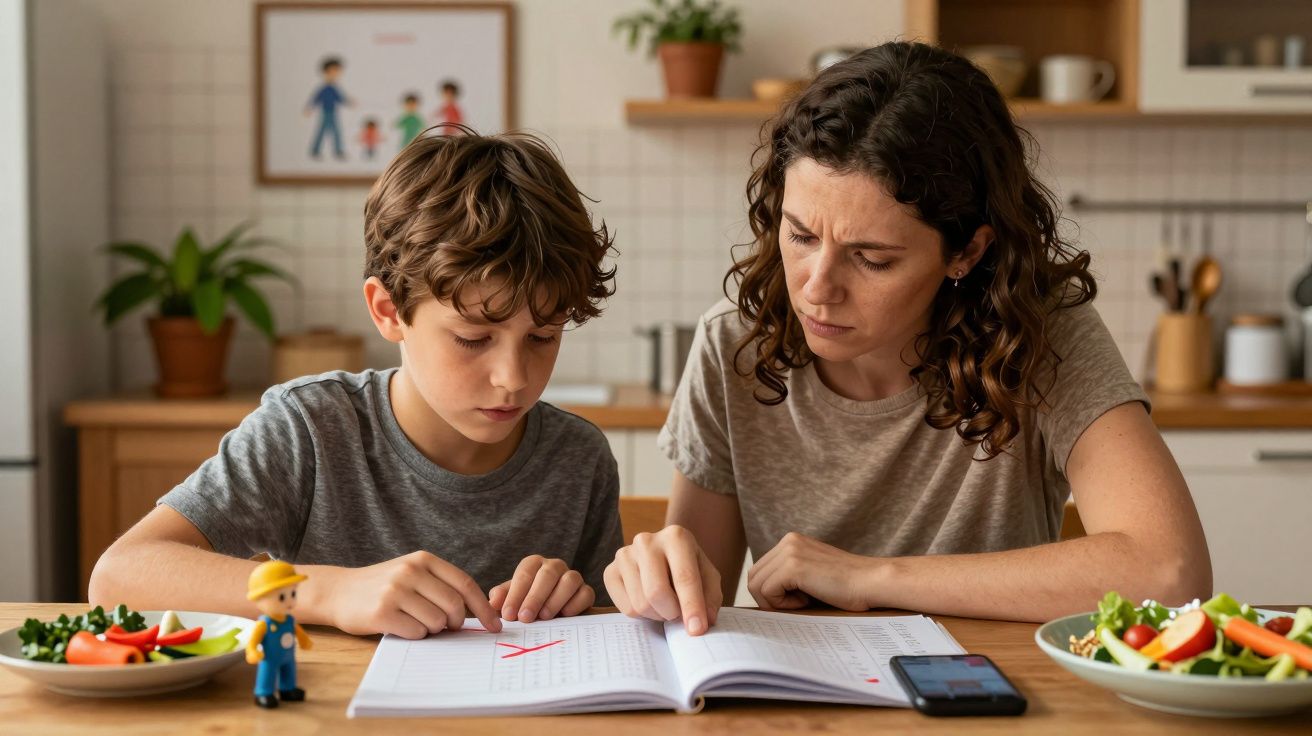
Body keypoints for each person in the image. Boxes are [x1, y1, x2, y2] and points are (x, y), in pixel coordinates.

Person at [604, 41, 1211, 635]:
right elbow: (687, 610)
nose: (817, 287)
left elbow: (1170, 571)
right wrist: (660, 574)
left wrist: (869, 578)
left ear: (967, 251)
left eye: (871, 259)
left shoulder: (1043, 333)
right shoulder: (733, 343)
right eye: (801, 235)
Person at [91, 126, 622, 639]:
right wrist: (328, 593)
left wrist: (576, 598)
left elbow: (612, 632)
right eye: (472, 338)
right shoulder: (311, 429)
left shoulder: (579, 458)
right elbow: (119, 576)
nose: (513, 379)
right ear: (389, 311)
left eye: (543, 337)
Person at [245, 560, 312, 709]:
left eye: (293, 593)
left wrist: (304, 640)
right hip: (270, 658)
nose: (289, 601)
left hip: (288, 655)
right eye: (282, 597)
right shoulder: (264, 624)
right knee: (267, 673)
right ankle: (263, 693)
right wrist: (252, 651)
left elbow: (298, 632)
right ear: (259, 599)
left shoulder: (289, 620)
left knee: (289, 670)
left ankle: (287, 689)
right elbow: (253, 641)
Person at [305, 56, 352, 160]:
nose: (337, 73)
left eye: (338, 71)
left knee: (334, 131)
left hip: (333, 111)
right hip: (326, 112)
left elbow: (340, 98)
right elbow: (316, 98)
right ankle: (317, 150)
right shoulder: (325, 88)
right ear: (327, 71)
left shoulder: (334, 87)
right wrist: (309, 108)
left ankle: (335, 150)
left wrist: (349, 102)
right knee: (325, 131)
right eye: (334, 70)